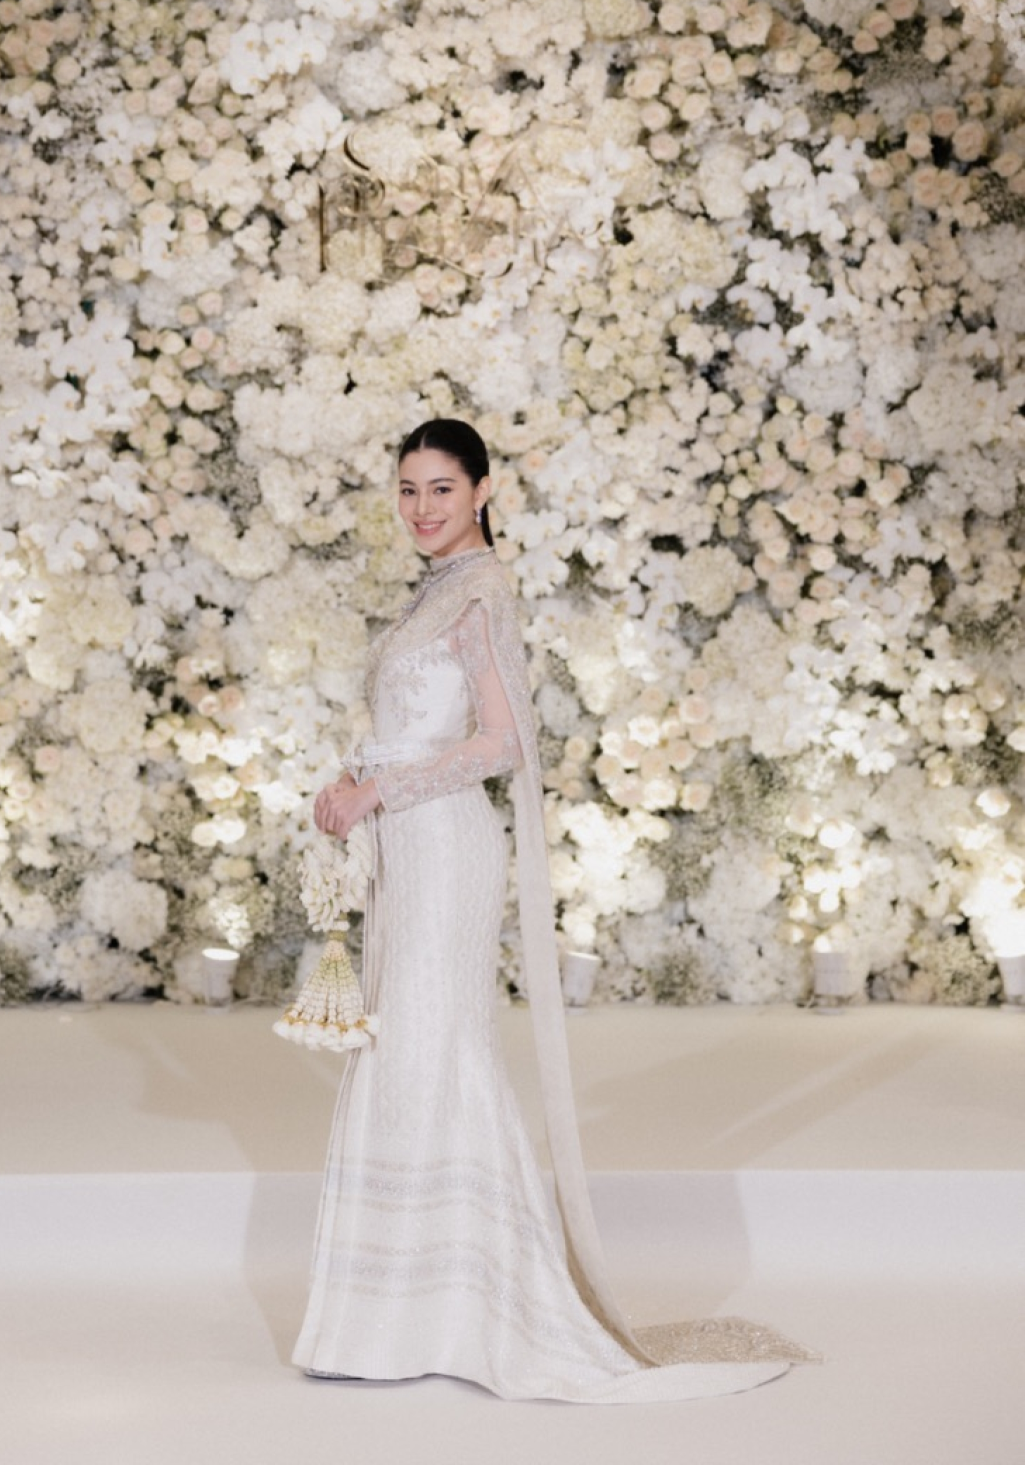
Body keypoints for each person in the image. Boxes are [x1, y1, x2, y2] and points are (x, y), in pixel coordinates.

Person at [294, 418, 812, 1400]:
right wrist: (352, 781)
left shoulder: (481, 590)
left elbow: (502, 743)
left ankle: (454, 1307)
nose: (421, 508)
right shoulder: (435, 589)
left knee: (434, 1051)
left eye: (442, 488)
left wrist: (382, 790)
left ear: (483, 491)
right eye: (408, 489)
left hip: (445, 847)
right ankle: (398, 1311)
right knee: (406, 1050)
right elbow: (416, 727)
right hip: (407, 845)